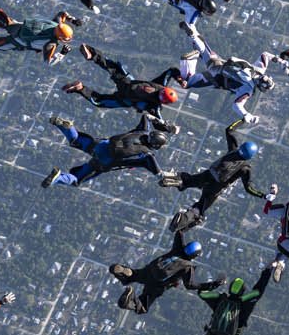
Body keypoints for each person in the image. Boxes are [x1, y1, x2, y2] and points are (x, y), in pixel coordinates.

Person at [177, 265, 278, 335]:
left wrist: (217, 283)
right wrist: (267, 271)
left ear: (230, 288)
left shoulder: (220, 299)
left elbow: (202, 293)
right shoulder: (245, 302)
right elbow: (258, 291)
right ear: (242, 291)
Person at [161, 123, 266, 232]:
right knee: (200, 208)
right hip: (216, 188)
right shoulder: (245, 169)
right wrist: (262, 195)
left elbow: (229, 130)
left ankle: (177, 181)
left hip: (208, 175)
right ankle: (182, 220)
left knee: (190, 180)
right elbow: (249, 188)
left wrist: (243, 120)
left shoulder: (233, 150)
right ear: (250, 156)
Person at [44, 112, 177, 188]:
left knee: (77, 140)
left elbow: (146, 116)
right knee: (76, 179)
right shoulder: (147, 155)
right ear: (155, 146)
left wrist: (165, 125)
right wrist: (173, 175)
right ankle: (57, 178)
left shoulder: (142, 131)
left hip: (101, 145)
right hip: (104, 162)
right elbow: (159, 174)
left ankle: (67, 128)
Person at [60, 43, 181, 113]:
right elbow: (158, 120)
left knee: (111, 67)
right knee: (100, 101)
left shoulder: (160, 85)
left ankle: (92, 55)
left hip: (127, 81)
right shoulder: (154, 106)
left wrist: (181, 80)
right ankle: (80, 88)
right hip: (124, 98)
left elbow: (171, 71)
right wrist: (169, 127)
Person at [177, 38, 273, 122]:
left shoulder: (259, 70)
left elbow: (265, 55)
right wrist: (247, 115)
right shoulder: (248, 90)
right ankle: (189, 59)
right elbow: (236, 105)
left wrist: (282, 62)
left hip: (220, 63)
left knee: (202, 48)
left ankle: (193, 34)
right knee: (188, 82)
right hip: (215, 79)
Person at [109, 235, 208, 315]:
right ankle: (130, 298)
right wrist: (212, 284)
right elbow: (190, 285)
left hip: (150, 269)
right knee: (143, 307)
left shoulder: (178, 248)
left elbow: (179, 231)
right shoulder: (187, 267)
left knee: (135, 275)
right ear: (194, 255)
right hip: (157, 284)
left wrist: (192, 220)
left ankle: (125, 273)